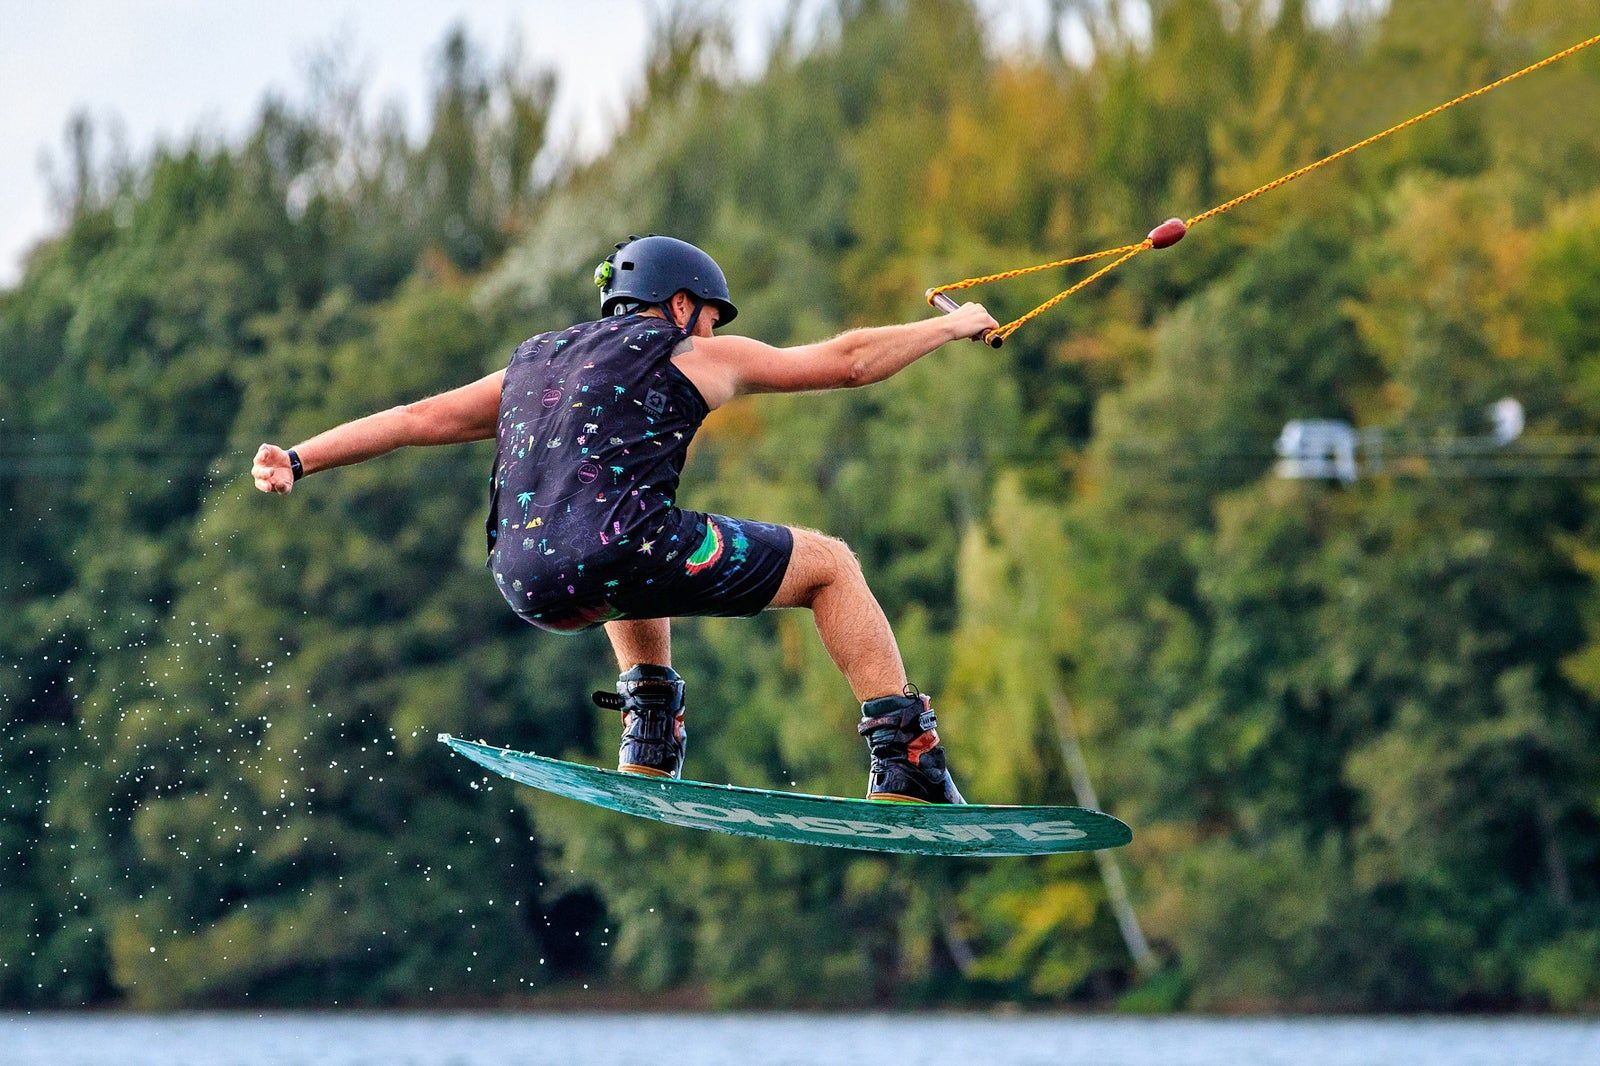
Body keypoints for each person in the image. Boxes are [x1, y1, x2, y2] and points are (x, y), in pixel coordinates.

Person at [253, 235, 998, 804]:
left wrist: (299, 456)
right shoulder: (684, 353)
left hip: (524, 582)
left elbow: (413, 418)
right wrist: (950, 326)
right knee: (829, 565)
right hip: (625, 552)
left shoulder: (532, 366)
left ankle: (649, 731)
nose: (710, 333)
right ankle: (905, 756)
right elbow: (849, 361)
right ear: (680, 306)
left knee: (615, 540)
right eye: (708, 318)